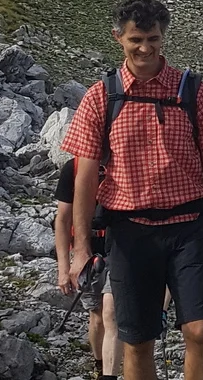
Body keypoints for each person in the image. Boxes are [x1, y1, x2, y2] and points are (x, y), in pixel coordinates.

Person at [62, 0, 203, 380]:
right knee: (137, 340)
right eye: (136, 39)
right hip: (130, 233)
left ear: (163, 37)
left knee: (199, 330)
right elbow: (84, 176)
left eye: (153, 38)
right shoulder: (101, 96)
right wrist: (80, 248)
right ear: (119, 38)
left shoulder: (192, 90)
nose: (145, 48)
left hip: (191, 227)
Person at [54, 159, 120, 380]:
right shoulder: (72, 169)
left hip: (121, 249)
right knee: (98, 316)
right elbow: (62, 219)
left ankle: (108, 375)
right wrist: (64, 267)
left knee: (111, 313)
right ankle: (99, 362)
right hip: (87, 251)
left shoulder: (126, 160)